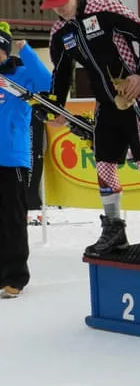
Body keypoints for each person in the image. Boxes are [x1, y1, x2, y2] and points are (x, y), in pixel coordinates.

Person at [41, 0, 140, 256]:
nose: (59, 9)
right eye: (53, 5)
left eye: (62, 2)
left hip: (135, 96)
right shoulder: (60, 33)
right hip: (105, 104)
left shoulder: (105, 10)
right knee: (104, 164)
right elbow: (61, 75)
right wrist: (56, 107)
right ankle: (114, 228)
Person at [0, 21, 52, 298]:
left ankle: (15, 277)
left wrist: (27, 51)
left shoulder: (18, 75)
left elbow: (47, 84)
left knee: (13, 219)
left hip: (12, 158)